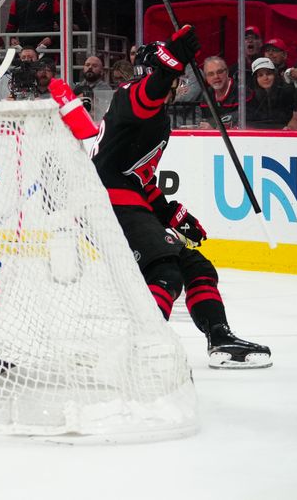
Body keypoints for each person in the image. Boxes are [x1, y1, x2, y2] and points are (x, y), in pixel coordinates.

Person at [90, 29, 272, 369]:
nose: (175, 86)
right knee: (165, 270)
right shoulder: (132, 94)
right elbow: (148, 93)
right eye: (171, 79)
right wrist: (170, 64)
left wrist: (171, 212)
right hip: (108, 201)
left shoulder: (155, 117)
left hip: (126, 199)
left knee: (197, 266)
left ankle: (219, 336)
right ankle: (142, 345)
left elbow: (139, 178)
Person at [246, 57, 294, 129]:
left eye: (268, 74)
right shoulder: (251, 96)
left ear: (275, 74)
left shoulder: (288, 92)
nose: (265, 78)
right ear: (255, 79)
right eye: (260, 75)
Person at [199, 56, 246, 128]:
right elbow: (205, 122)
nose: (216, 77)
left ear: (227, 72)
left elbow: (246, 124)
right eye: (211, 74)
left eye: (219, 72)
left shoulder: (242, 92)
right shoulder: (206, 95)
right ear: (206, 78)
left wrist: (215, 129)